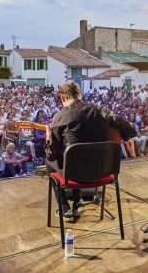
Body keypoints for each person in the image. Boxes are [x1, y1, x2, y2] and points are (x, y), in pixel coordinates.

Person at [46, 82, 136, 222]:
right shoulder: (101, 110)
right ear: (80, 95)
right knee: (72, 154)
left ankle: (64, 208)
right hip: (104, 172)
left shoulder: (60, 116)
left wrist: (48, 138)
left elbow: (52, 153)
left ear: (63, 98)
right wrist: (112, 131)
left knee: (51, 161)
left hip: (74, 175)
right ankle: (78, 201)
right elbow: (131, 130)